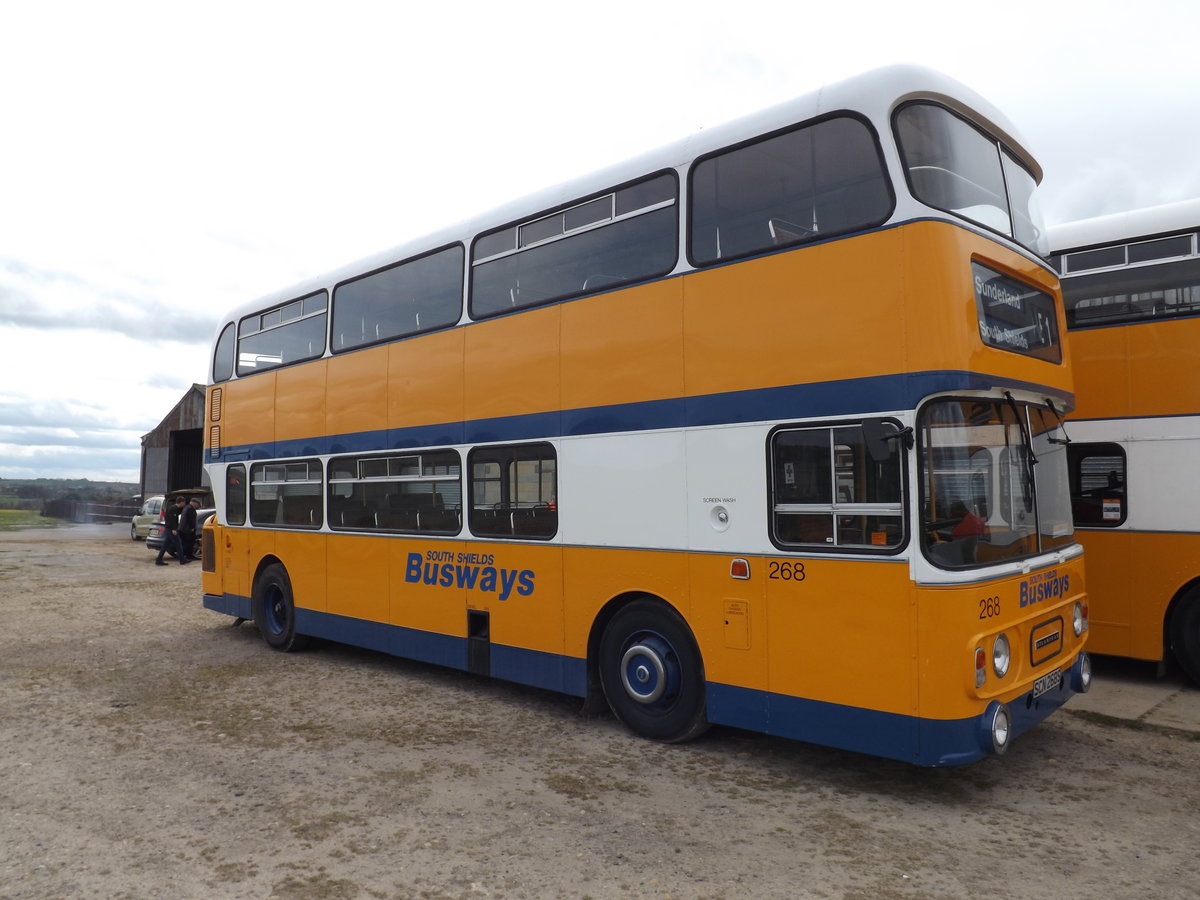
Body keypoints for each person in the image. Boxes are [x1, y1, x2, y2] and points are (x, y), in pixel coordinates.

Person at [156, 496, 186, 566]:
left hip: (169, 529)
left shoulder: (175, 509)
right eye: (183, 503)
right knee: (178, 543)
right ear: (181, 502)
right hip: (171, 529)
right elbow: (171, 520)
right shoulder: (173, 509)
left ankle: (159, 559)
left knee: (165, 545)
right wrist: (174, 529)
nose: (184, 504)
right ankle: (182, 559)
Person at [178, 497, 200, 564]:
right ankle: (188, 556)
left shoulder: (186, 508)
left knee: (185, 543)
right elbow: (191, 520)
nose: (197, 506)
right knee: (189, 543)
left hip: (183, 529)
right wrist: (192, 528)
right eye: (197, 504)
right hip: (188, 530)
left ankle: (186, 555)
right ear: (194, 503)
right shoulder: (190, 509)